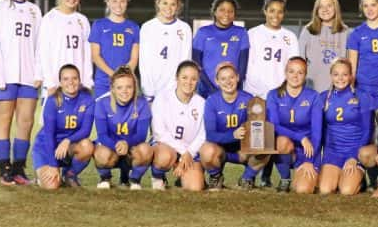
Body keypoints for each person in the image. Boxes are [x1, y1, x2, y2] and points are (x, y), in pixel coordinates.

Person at [0, 0, 42, 185]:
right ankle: (4, 169)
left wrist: (39, 72)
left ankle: (19, 167)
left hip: (28, 75)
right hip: (5, 75)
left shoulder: (35, 10)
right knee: (5, 120)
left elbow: (39, 45)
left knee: (26, 122)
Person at [245, 0, 300, 187]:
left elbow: (293, 68)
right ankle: (251, 176)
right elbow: (247, 65)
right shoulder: (253, 33)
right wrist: (254, 93)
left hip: (280, 95)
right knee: (260, 138)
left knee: (276, 134)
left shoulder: (290, 37)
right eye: (271, 10)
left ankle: (268, 177)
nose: (275, 15)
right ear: (265, 11)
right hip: (257, 94)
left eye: (280, 11)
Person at [346, 0, 378, 189]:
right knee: (366, 135)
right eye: (365, 6)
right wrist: (352, 92)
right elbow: (352, 67)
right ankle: (372, 177)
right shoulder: (357, 33)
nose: (370, 9)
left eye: (373, 5)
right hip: (364, 92)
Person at [200, 62, 269, 191]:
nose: (228, 82)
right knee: (206, 150)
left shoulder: (249, 99)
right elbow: (210, 135)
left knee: (266, 145)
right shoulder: (211, 101)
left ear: (237, 77)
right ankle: (216, 177)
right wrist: (233, 135)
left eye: (231, 77)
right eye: (223, 79)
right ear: (217, 81)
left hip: (242, 151)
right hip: (220, 150)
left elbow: (258, 129)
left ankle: (246, 178)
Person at [311, 58, 375, 195]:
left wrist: (354, 157)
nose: (340, 78)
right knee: (325, 189)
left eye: (345, 74)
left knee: (346, 190)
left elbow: (367, 130)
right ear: (331, 76)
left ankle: (360, 180)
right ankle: (338, 174)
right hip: (332, 153)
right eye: (336, 74)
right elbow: (319, 132)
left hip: (354, 152)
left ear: (351, 76)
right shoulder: (323, 97)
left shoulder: (362, 97)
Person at [150, 60, 209, 192]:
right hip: (167, 147)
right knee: (165, 156)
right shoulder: (162, 98)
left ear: (198, 80)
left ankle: (182, 177)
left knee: (195, 188)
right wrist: (183, 153)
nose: (189, 82)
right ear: (176, 78)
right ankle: (158, 177)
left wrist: (189, 153)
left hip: (190, 151)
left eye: (193, 79)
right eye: (184, 77)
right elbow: (159, 132)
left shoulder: (202, 103)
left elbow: (202, 135)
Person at [32, 64, 94, 189]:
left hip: (69, 147)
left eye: (74, 78)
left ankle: (69, 175)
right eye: (66, 79)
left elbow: (86, 131)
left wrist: (67, 140)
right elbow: (49, 136)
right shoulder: (52, 101)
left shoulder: (87, 99)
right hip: (46, 147)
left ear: (79, 80)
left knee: (87, 146)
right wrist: (53, 165)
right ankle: (41, 175)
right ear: (60, 82)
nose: (70, 82)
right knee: (52, 186)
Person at [265, 57, 320, 193]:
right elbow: (274, 125)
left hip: (308, 149)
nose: (295, 76)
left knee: (303, 190)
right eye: (291, 71)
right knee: (281, 141)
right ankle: (285, 178)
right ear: (285, 73)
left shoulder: (314, 96)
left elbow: (317, 133)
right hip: (286, 147)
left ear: (305, 75)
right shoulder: (274, 95)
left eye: (300, 72)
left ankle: (304, 175)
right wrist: (300, 137)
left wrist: (309, 160)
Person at [92, 66, 152, 190]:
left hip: (132, 148)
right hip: (111, 148)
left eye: (128, 87)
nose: (124, 91)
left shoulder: (142, 104)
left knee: (146, 150)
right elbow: (102, 135)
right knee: (100, 153)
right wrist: (117, 145)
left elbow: (141, 135)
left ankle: (134, 179)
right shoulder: (102, 103)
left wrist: (127, 143)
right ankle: (105, 178)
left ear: (135, 87)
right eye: (119, 87)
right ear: (113, 89)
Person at [37, 0, 93, 98]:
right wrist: (50, 82)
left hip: (77, 85)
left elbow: (87, 54)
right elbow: (43, 52)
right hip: (55, 85)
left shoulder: (82, 20)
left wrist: (87, 81)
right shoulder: (50, 18)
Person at [139, 0, 192, 102]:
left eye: (173, 4)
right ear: (158, 3)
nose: (168, 7)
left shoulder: (184, 28)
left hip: (175, 89)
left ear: (178, 6)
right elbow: (144, 62)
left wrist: (180, 87)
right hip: (153, 89)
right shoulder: (147, 27)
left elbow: (186, 60)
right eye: (165, 3)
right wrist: (148, 90)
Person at [192, 0, 249, 98]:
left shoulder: (241, 32)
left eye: (230, 11)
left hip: (232, 89)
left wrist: (232, 87)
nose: (226, 14)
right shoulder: (203, 32)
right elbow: (196, 63)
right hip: (206, 89)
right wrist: (211, 88)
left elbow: (242, 66)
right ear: (215, 11)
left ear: (235, 14)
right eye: (222, 10)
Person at [89, 0, 139, 98]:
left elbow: (134, 58)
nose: (118, 5)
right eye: (114, 1)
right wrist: (113, 75)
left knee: (124, 115)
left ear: (127, 2)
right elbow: (95, 56)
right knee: (103, 114)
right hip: (103, 82)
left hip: (126, 83)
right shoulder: (99, 25)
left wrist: (123, 77)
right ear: (107, 2)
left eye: (122, 1)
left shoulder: (134, 27)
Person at [299, 0, 350, 92]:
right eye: (321, 6)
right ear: (316, 10)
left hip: (338, 87)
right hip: (312, 86)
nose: (325, 9)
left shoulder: (345, 32)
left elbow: (350, 63)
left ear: (335, 8)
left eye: (329, 6)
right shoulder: (308, 30)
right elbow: (300, 61)